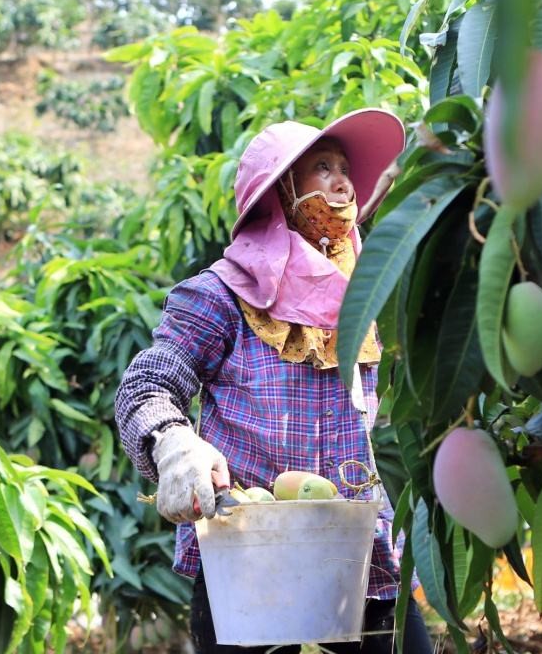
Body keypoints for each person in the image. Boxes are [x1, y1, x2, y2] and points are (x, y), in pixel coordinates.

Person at [115, 111, 431, 654]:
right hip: (250, 564)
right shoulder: (222, 296)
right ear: (280, 192)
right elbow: (147, 382)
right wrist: (171, 442)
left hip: (356, 557)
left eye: (346, 170)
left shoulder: (366, 291)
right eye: (322, 169)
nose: (343, 183)